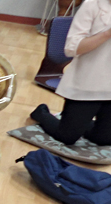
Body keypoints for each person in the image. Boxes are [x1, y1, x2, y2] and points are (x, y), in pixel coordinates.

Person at [30, 0, 111, 145]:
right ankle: (41, 113)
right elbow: (71, 48)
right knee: (67, 136)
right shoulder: (92, 5)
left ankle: (80, 123)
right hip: (87, 84)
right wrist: (107, 34)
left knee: (104, 139)